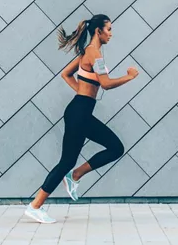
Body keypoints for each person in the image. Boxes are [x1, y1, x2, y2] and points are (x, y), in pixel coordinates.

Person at [24, 14, 139, 224]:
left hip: (81, 111)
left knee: (115, 148)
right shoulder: (94, 54)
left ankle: (75, 175)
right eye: (109, 29)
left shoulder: (88, 52)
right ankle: (35, 206)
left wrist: (82, 94)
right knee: (67, 160)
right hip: (79, 113)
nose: (111, 34)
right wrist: (129, 77)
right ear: (99, 31)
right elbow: (105, 84)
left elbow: (66, 74)